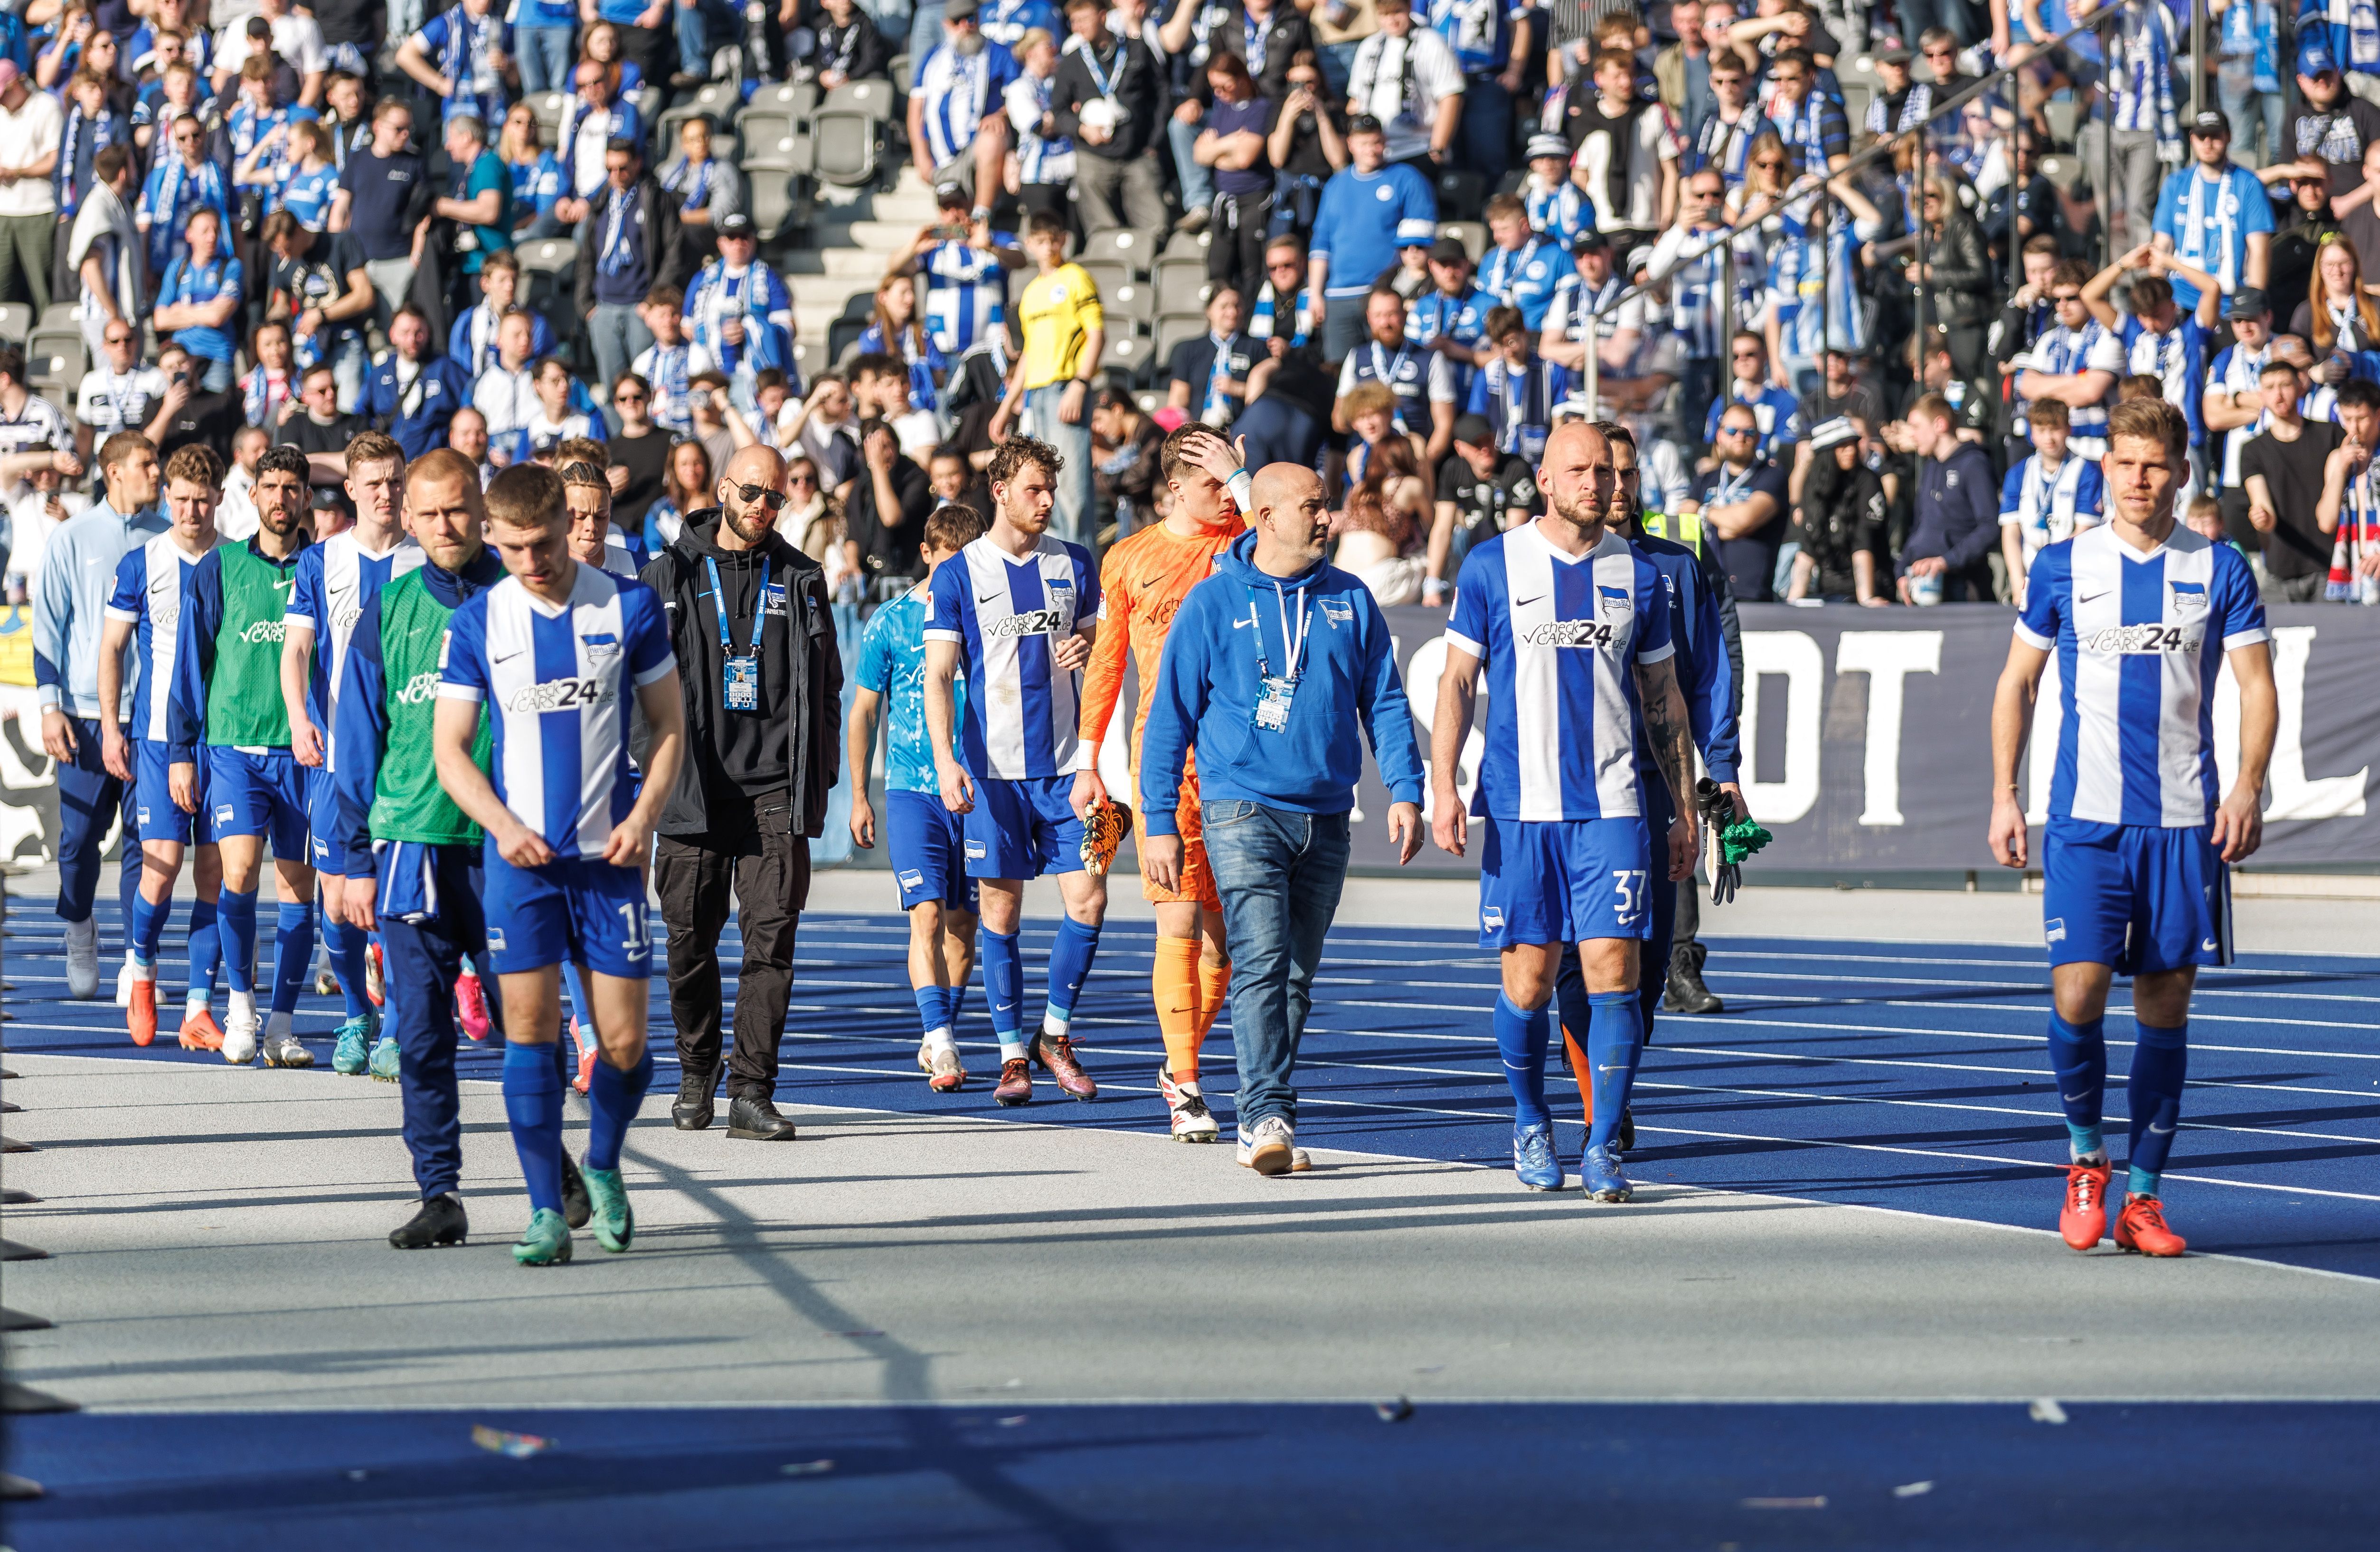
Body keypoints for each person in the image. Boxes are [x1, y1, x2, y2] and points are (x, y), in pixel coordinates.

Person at [1987, 395, 2277, 1259]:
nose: (2139, 478)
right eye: (2124, 462)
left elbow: (2257, 687)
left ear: (2181, 472)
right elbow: (2017, 682)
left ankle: (2143, 1196)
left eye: (2154, 464)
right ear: (2103, 468)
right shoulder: (2060, 565)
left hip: (2184, 823)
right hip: (2085, 821)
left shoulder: (2219, 566)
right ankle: (2085, 1157)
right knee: (2075, 994)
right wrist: (2005, 793)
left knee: (2164, 1004)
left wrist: (2250, 786)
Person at [1428, 420, 1699, 1200]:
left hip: (1613, 807)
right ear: (1544, 479)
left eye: (1606, 474)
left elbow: (1663, 698)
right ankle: (1528, 1119)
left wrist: (1681, 807)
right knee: (1530, 981)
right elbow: (1454, 683)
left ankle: (1602, 1144)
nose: (1597, 484)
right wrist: (1444, 784)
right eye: (1578, 471)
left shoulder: (1640, 574)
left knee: (1616, 974)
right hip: (1522, 807)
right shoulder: (1493, 563)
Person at [1135, 457, 1422, 1174]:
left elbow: (1384, 701)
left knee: (1296, 974)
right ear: (1264, 517)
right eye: (1315, 507)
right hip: (1241, 809)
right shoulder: (1212, 602)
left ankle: (1265, 1106)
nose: (1330, 518)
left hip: (1326, 814)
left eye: (1328, 506)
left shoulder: (1350, 599)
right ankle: (1265, 1113)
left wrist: (1406, 788)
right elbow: (1168, 719)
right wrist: (1160, 819)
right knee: (1261, 961)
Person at [433, 463, 687, 1266]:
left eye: (540, 544)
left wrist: (645, 814)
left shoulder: (627, 604)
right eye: (509, 548)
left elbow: (670, 723)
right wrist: (501, 824)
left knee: (624, 1045)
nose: (529, 561)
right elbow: (450, 751)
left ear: (566, 526)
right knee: (531, 1037)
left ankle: (604, 1161)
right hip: (524, 866)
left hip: (608, 859)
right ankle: (545, 1208)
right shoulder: (480, 621)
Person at [640, 444, 840, 1141]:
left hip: (773, 795)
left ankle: (752, 1090)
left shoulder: (802, 577)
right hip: (693, 793)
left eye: (776, 497)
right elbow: (638, 691)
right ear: (723, 487)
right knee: (688, 943)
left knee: (771, 944)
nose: (763, 507)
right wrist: (656, 771)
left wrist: (821, 772)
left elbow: (829, 688)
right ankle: (698, 1069)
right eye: (752, 492)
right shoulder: (668, 574)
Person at [1070, 427, 1250, 1137]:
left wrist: (1240, 479)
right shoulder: (1129, 558)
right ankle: (1185, 1083)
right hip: (1165, 765)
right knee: (1177, 920)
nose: (1223, 499)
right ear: (1175, 486)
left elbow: (1286, 527)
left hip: (1241, 764)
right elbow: (1107, 667)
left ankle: (1183, 1061)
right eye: (1209, 484)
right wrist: (1088, 761)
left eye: (1226, 484)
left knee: (1225, 939)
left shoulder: (1247, 544)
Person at [922, 434, 1106, 1107]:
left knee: (1091, 899)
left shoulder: (1077, 563)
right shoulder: (958, 573)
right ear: (998, 490)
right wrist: (946, 761)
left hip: (1069, 771)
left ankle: (1054, 1034)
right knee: (1000, 911)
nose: (1047, 501)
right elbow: (939, 675)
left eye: (1052, 488)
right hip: (991, 772)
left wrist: (1089, 646)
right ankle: (1009, 1058)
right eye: (1034, 488)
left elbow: (1102, 661)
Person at [166, 444, 317, 1067]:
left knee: (298, 889)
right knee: (237, 876)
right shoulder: (220, 565)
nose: (280, 498)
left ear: (306, 498)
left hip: (305, 753)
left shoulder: (321, 566)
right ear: (251, 495)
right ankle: (241, 1006)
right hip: (235, 749)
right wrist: (180, 751)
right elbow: (190, 663)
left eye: (291, 488)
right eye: (270, 486)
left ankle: (283, 1021)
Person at [281, 429, 418, 1077]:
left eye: (396, 481)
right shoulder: (321, 561)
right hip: (337, 755)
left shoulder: (425, 561)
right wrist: (298, 716)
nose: (387, 493)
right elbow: (297, 651)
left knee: (400, 899)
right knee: (336, 903)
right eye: (376, 484)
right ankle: (356, 1017)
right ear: (354, 489)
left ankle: (394, 1028)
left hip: (410, 761)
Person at [849, 503, 985, 1093]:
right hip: (912, 788)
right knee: (925, 916)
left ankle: (938, 1034)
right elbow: (862, 711)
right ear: (926, 554)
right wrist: (860, 794)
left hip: (978, 791)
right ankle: (944, 1040)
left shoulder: (988, 618)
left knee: (963, 929)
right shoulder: (891, 621)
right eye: (946, 563)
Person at [97, 442, 227, 1048]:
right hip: (155, 738)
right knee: (162, 866)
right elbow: (114, 650)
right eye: (181, 499)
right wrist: (110, 724)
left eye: (202, 500)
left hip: (221, 739)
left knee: (214, 873)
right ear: (167, 497)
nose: (191, 511)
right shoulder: (140, 562)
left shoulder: (236, 563)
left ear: (220, 499)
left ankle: (199, 1006)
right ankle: (142, 969)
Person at [33, 430, 168, 999]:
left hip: (153, 718)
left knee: (147, 841)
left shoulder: (168, 537)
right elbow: (48, 626)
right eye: (147, 464)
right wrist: (49, 706)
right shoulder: (72, 537)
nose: (158, 474)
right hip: (86, 716)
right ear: (114, 472)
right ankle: (79, 928)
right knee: (79, 838)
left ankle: (138, 962)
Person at [991, 215, 1102, 548]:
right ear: (1030, 244)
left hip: (1064, 386)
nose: (1048, 247)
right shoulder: (1031, 292)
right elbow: (1028, 355)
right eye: (1040, 240)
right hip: (1037, 394)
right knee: (1043, 486)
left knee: (1071, 491)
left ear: (1063, 240)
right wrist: (1005, 407)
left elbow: (1096, 334)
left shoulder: (1076, 278)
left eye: (1053, 239)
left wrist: (1080, 384)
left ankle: (1083, 578)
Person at [1307, 114, 1437, 364]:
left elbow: (1421, 240)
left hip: (1386, 295)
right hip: (1339, 295)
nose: (1372, 149)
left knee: (1390, 368)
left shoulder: (1407, 178)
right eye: (1364, 143)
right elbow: (1321, 243)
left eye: (1377, 142)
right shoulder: (1336, 185)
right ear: (1351, 144)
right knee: (1341, 372)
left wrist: (1407, 289)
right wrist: (1315, 293)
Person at [1048, 0, 1166, 250]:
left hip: (1138, 153)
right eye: (1074, 21)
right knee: (1101, 229)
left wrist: (1153, 143)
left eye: (1084, 19)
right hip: (1094, 155)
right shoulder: (1071, 62)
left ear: (1103, 17)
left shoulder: (1135, 50)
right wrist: (1082, 130)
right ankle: (1110, 267)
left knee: (1156, 226)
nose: (1077, 26)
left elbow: (1161, 95)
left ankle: (1148, 272)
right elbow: (1058, 111)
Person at [575, 137, 684, 402]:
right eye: (610, 169)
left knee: (645, 388)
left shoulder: (655, 198)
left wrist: (652, 302)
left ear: (637, 163)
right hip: (603, 309)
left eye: (623, 168)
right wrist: (586, 306)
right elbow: (588, 256)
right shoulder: (602, 201)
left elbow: (674, 251)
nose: (617, 175)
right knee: (614, 391)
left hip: (641, 308)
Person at [907, 0, 1015, 223]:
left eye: (971, 19)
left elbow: (1018, 97)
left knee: (991, 139)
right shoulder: (933, 58)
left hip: (980, 145)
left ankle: (982, 216)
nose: (966, 26)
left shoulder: (999, 54)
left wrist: (1000, 115)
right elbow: (916, 107)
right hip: (941, 151)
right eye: (958, 21)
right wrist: (920, 154)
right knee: (952, 208)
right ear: (947, 24)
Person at [2153, 111, 2272, 314]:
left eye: (2216, 136)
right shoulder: (2175, 183)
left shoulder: (2248, 184)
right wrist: (2156, 301)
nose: (2208, 143)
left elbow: (2259, 251)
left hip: (2230, 303)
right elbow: (2161, 247)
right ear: (2192, 140)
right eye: (2202, 137)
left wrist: (2253, 307)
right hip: (2181, 299)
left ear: (2229, 137)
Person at [2255, 366, 2356, 603]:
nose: (2278, 395)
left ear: (2301, 388)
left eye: (2285, 385)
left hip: (2330, 568)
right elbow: (2261, 503)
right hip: (2280, 575)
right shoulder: (2253, 449)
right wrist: (2261, 517)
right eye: (2270, 388)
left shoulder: (2331, 434)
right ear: (2261, 395)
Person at [329, 99, 432, 328]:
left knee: (396, 330)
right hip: (358, 263)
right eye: (398, 129)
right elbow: (341, 207)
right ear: (378, 127)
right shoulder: (357, 159)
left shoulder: (414, 163)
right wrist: (336, 252)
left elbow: (424, 214)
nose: (405, 134)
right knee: (356, 329)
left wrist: (415, 257)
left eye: (409, 129)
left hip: (397, 262)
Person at [681, 213, 793, 418]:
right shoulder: (702, 279)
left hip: (751, 374)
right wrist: (714, 335)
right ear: (721, 243)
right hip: (711, 372)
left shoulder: (768, 277)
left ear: (753, 241)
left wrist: (750, 328)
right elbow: (687, 327)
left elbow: (788, 326)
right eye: (732, 238)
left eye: (744, 237)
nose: (738, 244)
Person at [263, 209, 375, 413]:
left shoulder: (341, 243)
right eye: (278, 251)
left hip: (344, 339)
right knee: (305, 411)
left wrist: (322, 314)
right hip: (308, 346)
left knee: (346, 409)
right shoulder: (282, 259)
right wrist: (270, 324)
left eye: (286, 248)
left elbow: (365, 295)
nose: (283, 256)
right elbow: (282, 303)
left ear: (298, 231)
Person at [1999, 398, 2105, 607]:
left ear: (2068, 428)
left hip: (2071, 575)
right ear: (2031, 432)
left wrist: (2051, 573)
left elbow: (2083, 531)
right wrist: (2017, 582)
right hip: (2030, 574)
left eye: (2055, 429)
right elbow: (2010, 532)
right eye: (2041, 429)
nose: (2049, 437)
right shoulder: (2018, 473)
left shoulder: (2086, 471)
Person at [1682, 399, 1789, 601]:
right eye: (1732, 431)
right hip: (1704, 591)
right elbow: (1683, 515)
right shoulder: (1706, 479)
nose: (1741, 438)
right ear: (1720, 435)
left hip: (1750, 595)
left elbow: (1742, 521)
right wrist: (1728, 519)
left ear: (1758, 438)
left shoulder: (1772, 476)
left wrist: (1705, 512)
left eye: (1748, 432)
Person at [1344, 0, 1463, 174]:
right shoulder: (1369, 46)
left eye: (1397, 12)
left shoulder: (1431, 42)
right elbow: (1355, 101)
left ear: (1409, 8)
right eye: (1385, 15)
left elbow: (1451, 96)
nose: (1392, 20)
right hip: (1376, 152)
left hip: (1417, 148)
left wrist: (1439, 146)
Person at [1786, 414, 1888, 604]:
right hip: (1829, 592)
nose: (1850, 451)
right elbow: (1808, 546)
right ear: (1826, 454)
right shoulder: (1813, 486)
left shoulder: (1867, 480)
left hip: (1868, 587)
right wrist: (1794, 598)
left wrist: (1866, 598)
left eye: (1852, 444)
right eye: (1842, 447)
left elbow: (1863, 542)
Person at [155, 206, 243, 395]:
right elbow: (160, 320)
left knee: (217, 415)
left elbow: (217, 318)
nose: (212, 237)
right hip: (181, 358)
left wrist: (180, 310)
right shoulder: (177, 268)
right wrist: (206, 310)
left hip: (217, 356)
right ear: (189, 235)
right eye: (205, 231)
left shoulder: (231, 267)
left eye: (215, 231)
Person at [365, 304, 472, 459]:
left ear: (428, 332)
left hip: (435, 464)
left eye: (419, 332)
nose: (412, 339)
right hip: (390, 464)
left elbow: (471, 406)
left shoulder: (446, 368)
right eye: (405, 333)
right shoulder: (379, 374)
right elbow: (361, 414)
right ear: (393, 335)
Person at [68, 144, 144, 360]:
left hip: (118, 315)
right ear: (123, 173)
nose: (136, 172)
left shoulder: (118, 202)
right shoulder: (99, 205)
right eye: (133, 167)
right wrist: (114, 314)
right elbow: (90, 267)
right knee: (113, 384)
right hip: (105, 317)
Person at [0, 61, 62, 317]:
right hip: (3, 211)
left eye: (4, 94)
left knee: (42, 292)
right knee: (3, 291)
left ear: (18, 83)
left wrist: (15, 172)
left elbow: (53, 160)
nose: (2, 101)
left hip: (38, 210)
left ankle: (49, 342)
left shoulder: (46, 105)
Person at [395, 0, 514, 129]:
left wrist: (506, 64)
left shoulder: (501, 24)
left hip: (494, 113)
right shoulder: (448, 22)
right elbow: (405, 55)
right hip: (458, 112)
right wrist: (439, 84)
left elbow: (514, 79)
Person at [432, 112, 513, 294]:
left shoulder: (488, 163)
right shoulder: (473, 167)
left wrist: (443, 207)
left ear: (466, 137)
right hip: (472, 264)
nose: (447, 146)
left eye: (451, 138)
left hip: (488, 266)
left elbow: (489, 211)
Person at [553, 60, 641, 226]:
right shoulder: (581, 116)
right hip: (574, 197)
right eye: (584, 85)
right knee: (533, 237)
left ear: (609, 80)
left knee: (583, 241)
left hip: (607, 199)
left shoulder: (626, 112)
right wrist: (562, 197)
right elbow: (567, 160)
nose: (591, 89)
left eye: (596, 82)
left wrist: (589, 201)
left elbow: (621, 163)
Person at [74, 320, 170, 464]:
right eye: (115, 341)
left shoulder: (156, 378)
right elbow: (85, 433)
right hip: (103, 469)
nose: (122, 346)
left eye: (128, 339)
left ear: (136, 341)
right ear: (105, 346)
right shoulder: (91, 381)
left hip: (143, 464)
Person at [657, 114, 744, 259]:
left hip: (704, 234)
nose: (701, 143)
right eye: (693, 139)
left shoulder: (723, 170)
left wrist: (677, 218)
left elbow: (719, 214)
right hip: (672, 227)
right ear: (683, 144)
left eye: (705, 136)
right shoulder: (668, 172)